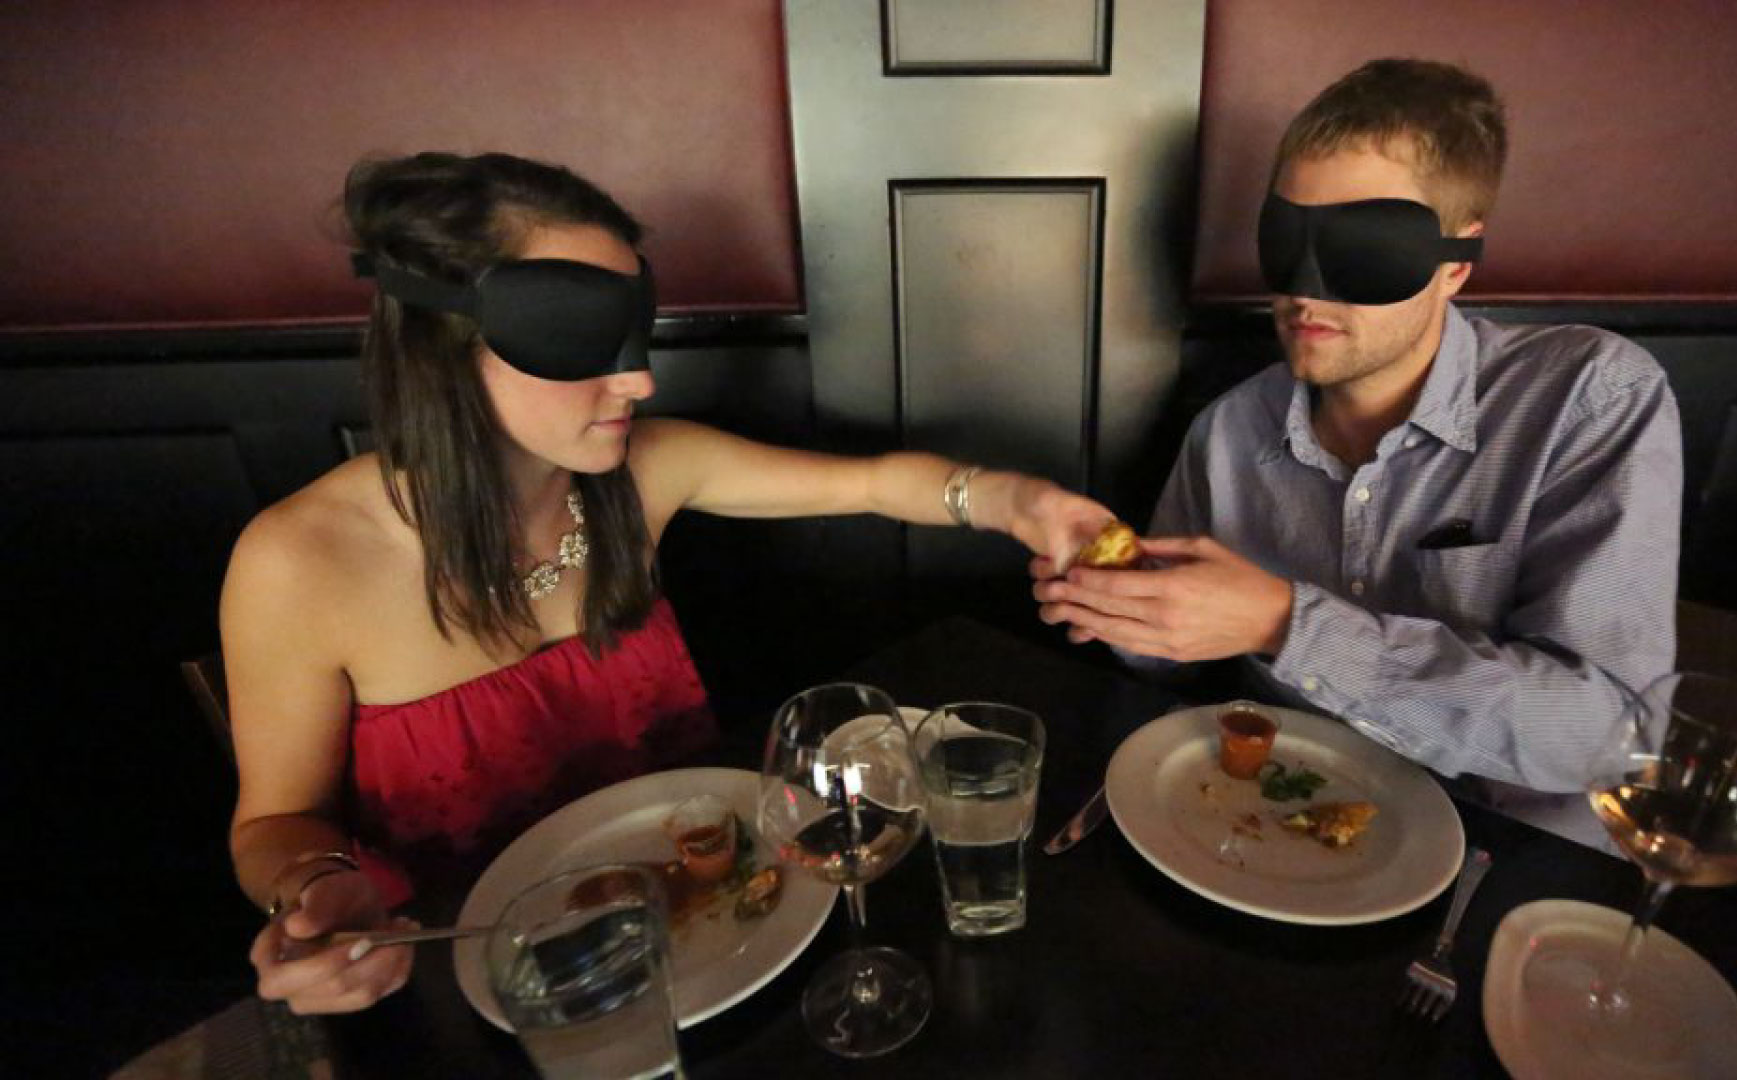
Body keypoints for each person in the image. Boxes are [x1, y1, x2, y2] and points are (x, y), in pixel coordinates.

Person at [225, 151, 1115, 1014]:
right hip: (466, 973)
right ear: (443, 346)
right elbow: (273, 823)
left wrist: (1020, 501)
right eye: (578, 337)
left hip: (695, 927)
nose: (638, 378)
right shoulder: (299, 561)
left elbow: (879, 483)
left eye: (634, 330)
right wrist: (314, 886)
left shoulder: (641, 475)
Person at [1034, 58, 1682, 845]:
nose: (1306, 290)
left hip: (1510, 853)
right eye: (1287, 239)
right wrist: (1123, 606)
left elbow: (1611, 736)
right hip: (1278, 833)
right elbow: (1181, 665)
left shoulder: (1586, 399)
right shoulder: (1231, 433)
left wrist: (1286, 624)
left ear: (1454, 261)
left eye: (1365, 248)